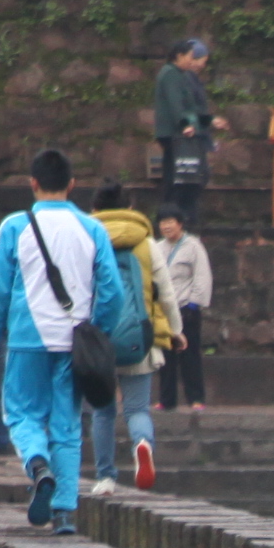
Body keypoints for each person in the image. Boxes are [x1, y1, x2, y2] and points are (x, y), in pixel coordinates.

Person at [0, 150, 134, 530]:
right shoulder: (93, 229)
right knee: (66, 423)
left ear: (33, 184)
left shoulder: (15, 226)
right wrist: (95, 330)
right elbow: (113, 292)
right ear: (72, 185)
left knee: (20, 412)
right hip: (73, 342)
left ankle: (37, 464)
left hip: (27, 339)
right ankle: (64, 512)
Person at [77, 182, 176, 492]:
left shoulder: (84, 240)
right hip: (139, 338)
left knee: (103, 411)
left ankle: (106, 477)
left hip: (97, 340)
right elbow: (168, 294)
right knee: (136, 409)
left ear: (94, 210)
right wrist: (176, 331)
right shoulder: (147, 244)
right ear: (130, 208)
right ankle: (142, 444)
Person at [152, 38, 223, 224]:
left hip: (182, 133)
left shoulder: (180, 75)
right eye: (190, 57)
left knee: (189, 178)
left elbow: (191, 107)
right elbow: (176, 104)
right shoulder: (170, 74)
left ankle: (182, 219)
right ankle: (173, 218)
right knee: (178, 179)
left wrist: (209, 120)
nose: (192, 62)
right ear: (179, 56)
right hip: (175, 135)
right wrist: (184, 125)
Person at [154, 211, 211, 417]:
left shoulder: (193, 246)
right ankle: (166, 399)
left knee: (190, 354)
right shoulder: (157, 247)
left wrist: (194, 304)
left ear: (180, 224)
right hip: (163, 309)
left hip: (186, 307)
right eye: (162, 222)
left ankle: (196, 398)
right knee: (165, 356)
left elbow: (202, 276)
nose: (166, 226)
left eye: (170, 222)